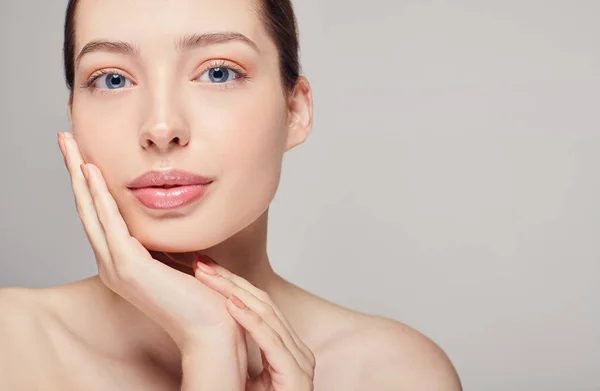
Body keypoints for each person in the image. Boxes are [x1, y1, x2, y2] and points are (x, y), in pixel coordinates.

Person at [0, 0, 462, 389]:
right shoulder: (12, 346)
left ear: (294, 110)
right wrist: (210, 343)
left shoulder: (394, 374)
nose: (162, 128)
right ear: (74, 118)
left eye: (218, 72)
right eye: (112, 79)